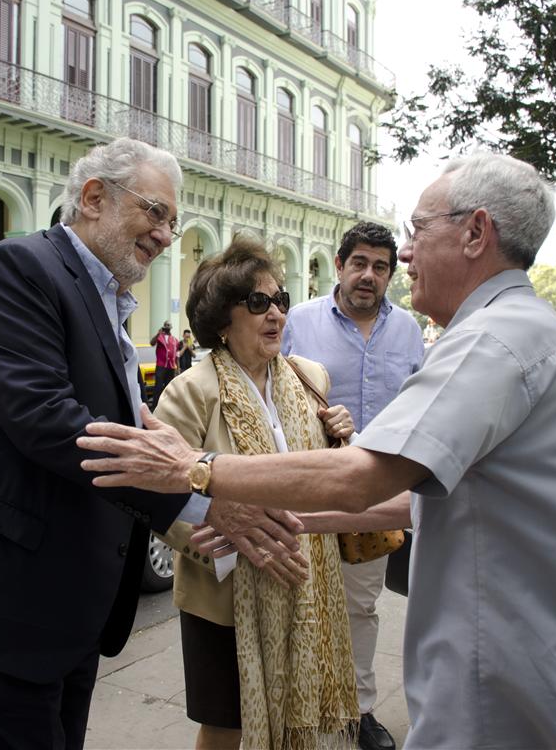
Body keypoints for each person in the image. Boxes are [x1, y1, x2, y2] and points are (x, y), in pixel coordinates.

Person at [79, 152, 556, 749]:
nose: (405, 254)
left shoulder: (494, 340)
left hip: (509, 670)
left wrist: (193, 469)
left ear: (476, 233)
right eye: (258, 303)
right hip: (520, 657)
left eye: (417, 230)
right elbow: (414, 499)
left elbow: (365, 478)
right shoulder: (513, 331)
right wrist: (276, 521)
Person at [0, 138, 304, 749]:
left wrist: (184, 471)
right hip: (2, 599)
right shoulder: (19, 270)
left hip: (68, 606)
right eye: (157, 213)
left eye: (172, 220)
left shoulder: (105, 298)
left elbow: (121, 428)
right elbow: (51, 421)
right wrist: (202, 491)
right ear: (94, 198)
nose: (168, 235)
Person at [156, 238, 358, 750]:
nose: (275, 314)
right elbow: (159, 490)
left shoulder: (309, 378)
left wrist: (341, 437)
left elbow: (322, 476)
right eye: (257, 302)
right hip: (225, 594)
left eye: (281, 300)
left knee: (300, 710)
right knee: (227, 724)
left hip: (304, 585)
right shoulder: (191, 391)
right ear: (222, 318)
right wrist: (232, 543)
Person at [281, 220, 423, 750]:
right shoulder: (299, 320)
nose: (368, 275)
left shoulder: (408, 329)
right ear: (339, 265)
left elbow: (417, 406)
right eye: (359, 263)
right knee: (302, 600)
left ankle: (358, 712)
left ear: (390, 274)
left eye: (380, 267)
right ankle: (300, 704)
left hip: (376, 497)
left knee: (360, 608)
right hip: (309, 486)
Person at [149, 321, 178, 407]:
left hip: (171, 367)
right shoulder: (159, 337)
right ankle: (155, 407)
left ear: (171, 327)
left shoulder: (174, 339)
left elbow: (176, 354)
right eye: (166, 325)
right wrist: (158, 333)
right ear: (163, 326)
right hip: (161, 366)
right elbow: (152, 343)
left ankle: (167, 406)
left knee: (169, 388)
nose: (167, 326)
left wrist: (176, 367)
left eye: (169, 325)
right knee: (158, 387)